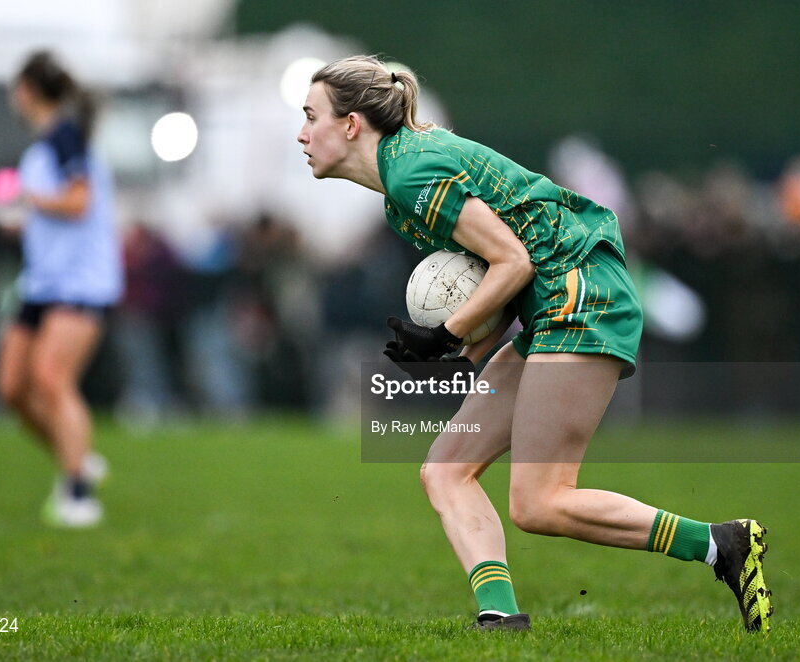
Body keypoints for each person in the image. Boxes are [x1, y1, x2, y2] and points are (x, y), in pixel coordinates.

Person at [297, 56, 772, 632]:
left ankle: (721, 544)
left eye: (310, 115)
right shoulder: (402, 192)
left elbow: (513, 261)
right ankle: (499, 616)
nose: (301, 133)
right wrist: (457, 346)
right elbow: (497, 296)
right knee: (445, 470)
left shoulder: (411, 174)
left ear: (350, 125)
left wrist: (442, 334)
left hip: (579, 292)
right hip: (552, 301)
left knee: (539, 501)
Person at [0, 50, 122, 527]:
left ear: (27, 90)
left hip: (80, 280)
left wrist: (26, 199)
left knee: (50, 379)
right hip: (43, 280)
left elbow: (77, 201)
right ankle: (79, 456)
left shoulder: (65, 137)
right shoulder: (46, 142)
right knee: (10, 389)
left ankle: (77, 492)